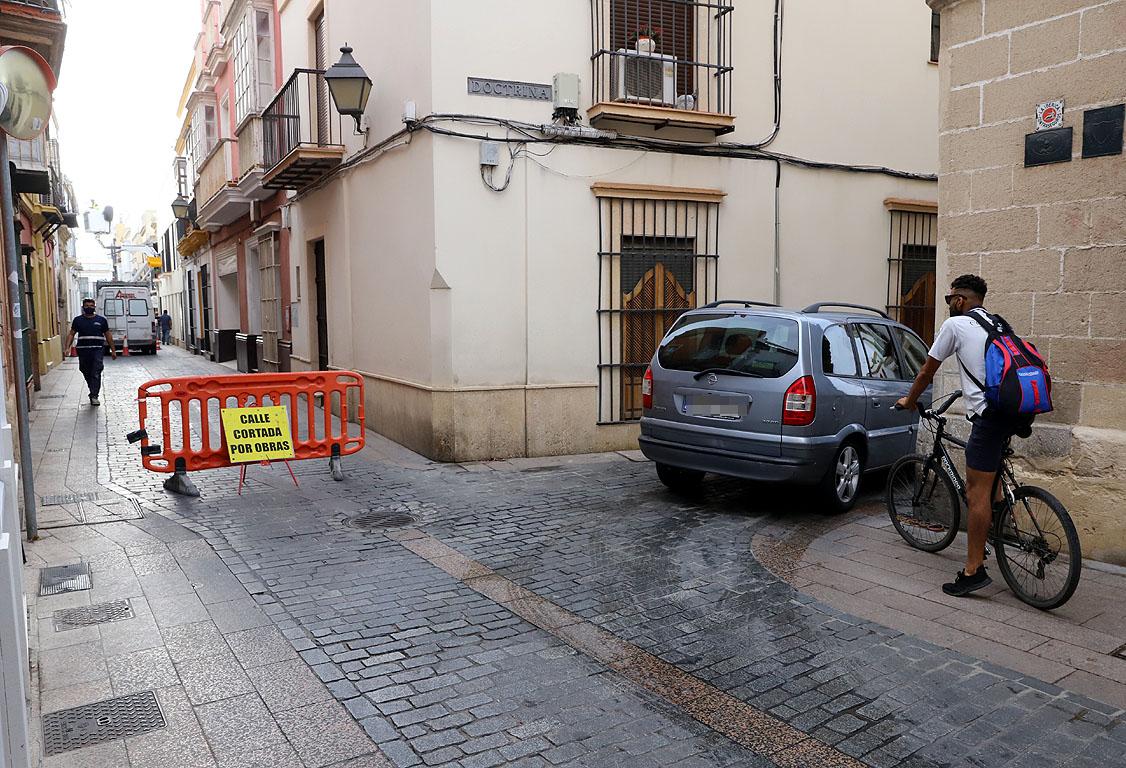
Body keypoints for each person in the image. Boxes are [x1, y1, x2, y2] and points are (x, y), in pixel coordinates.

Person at [896, 274, 1023, 597]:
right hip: (1013, 411)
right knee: (991, 485)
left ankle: (973, 571)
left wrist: (910, 401)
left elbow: (927, 371)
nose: (949, 304)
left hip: (988, 417)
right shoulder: (997, 323)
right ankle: (996, 536)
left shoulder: (954, 326)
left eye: (949, 299)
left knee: (975, 493)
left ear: (960, 300)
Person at [64, 298, 116, 406]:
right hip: (83, 350)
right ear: (83, 307)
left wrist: (113, 350)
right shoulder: (78, 320)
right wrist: (67, 347)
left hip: (97, 350)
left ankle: (94, 396)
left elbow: (108, 335)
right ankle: (92, 389)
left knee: (96, 372)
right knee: (85, 370)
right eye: (87, 306)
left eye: (91, 306)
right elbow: (71, 334)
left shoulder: (101, 320)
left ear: (95, 307)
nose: (89, 308)